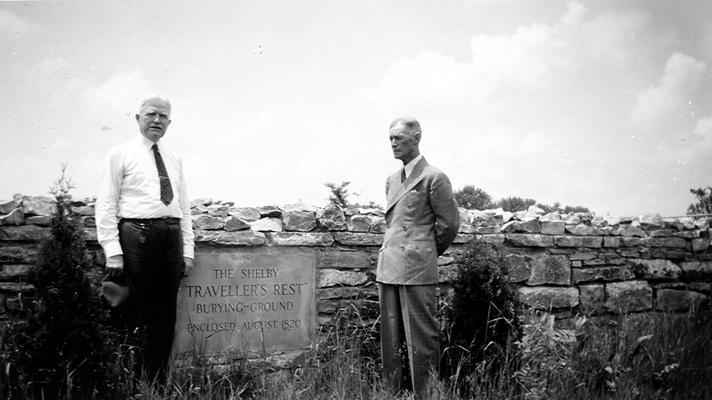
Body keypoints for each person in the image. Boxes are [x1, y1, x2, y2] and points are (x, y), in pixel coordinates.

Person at [95, 94, 194, 382]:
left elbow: (183, 207)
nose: (157, 120)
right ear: (138, 118)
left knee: (166, 316)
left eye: (164, 116)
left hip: (171, 238)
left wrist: (187, 250)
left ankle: (158, 382)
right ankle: (134, 382)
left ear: (170, 122)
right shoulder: (120, 154)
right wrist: (113, 250)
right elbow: (106, 203)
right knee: (136, 312)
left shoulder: (174, 158)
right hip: (137, 237)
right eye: (151, 114)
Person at [377, 117, 460, 399]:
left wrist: (423, 253)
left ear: (417, 137)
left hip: (416, 270)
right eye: (390, 138)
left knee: (421, 339)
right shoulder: (391, 180)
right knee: (391, 340)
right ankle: (394, 393)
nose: (393, 143)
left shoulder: (434, 177)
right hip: (388, 267)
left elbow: (449, 225)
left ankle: (428, 394)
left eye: (399, 137)